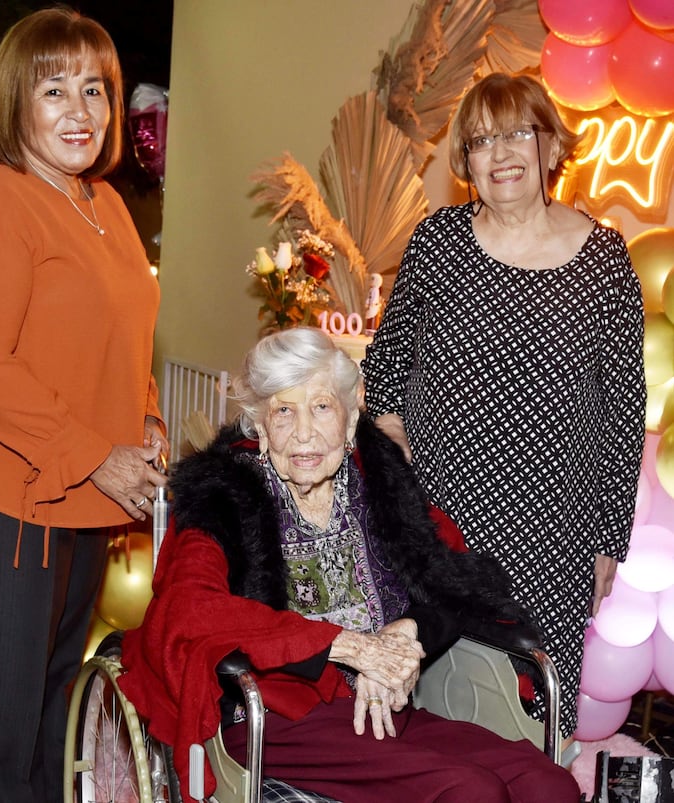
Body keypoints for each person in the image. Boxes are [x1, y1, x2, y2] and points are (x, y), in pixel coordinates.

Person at [118, 327, 580, 803]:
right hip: (281, 720)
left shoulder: (379, 484)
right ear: (260, 427)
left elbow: (452, 581)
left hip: (386, 713)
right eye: (283, 411)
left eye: (321, 406)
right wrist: (353, 648)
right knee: (470, 792)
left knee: (548, 784)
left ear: (350, 417)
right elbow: (189, 610)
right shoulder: (224, 500)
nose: (304, 433)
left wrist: (405, 632)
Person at [0, 8, 168, 802]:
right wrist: (98, 453)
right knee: (5, 718)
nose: (80, 109)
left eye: (95, 89)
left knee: (58, 700)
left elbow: (123, 339)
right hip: (3, 492)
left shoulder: (107, 205)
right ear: (14, 101)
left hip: (83, 487)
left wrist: (145, 418)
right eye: (54, 89)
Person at [362, 72, 646, 744]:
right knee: (429, 715)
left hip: (555, 533)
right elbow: (386, 367)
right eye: (482, 141)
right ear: (467, 163)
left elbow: (622, 411)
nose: (502, 153)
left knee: (531, 719)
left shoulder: (605, 261)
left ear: (552, 146)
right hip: (442, 524)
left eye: (518, 132)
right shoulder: (438, 242)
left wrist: (608, 540)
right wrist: (399, 472)